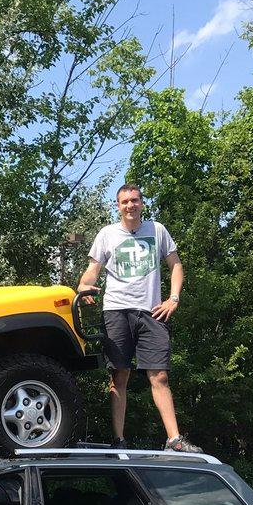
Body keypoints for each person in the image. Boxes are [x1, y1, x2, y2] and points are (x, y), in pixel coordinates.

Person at [77, 183, 202, 454]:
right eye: (125, 202)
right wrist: (84, 286)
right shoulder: (107, 234)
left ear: (142, 203)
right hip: (116, 311)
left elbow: (176, 264)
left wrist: (174, 298)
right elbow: (91, 271)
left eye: (134, 200)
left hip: (152, 311)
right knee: (119, 375)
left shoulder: (157, 230)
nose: (130, 205)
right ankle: (119, 440)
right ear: (118, 206)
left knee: (159, 375)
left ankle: (174, 440)